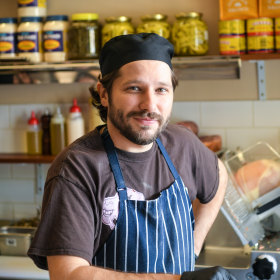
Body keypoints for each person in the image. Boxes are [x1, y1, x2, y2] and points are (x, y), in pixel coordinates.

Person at [28, 33, 236, 280]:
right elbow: (68, 274)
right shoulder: (77, 168)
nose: (150, 105)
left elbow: (219, 174)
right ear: (104, 94)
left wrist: (194, 245)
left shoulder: (182, 143)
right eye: (134, 88)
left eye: (161, 90)